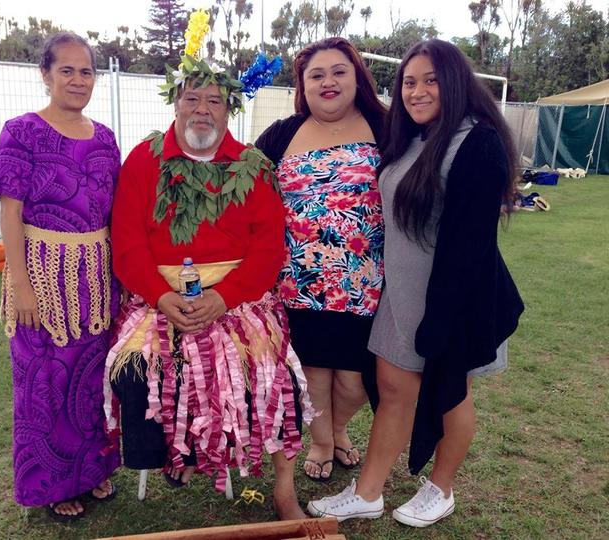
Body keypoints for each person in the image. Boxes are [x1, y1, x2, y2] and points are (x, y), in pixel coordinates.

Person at [307, 39, 524, 527]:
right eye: (408, 82)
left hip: (456, 299)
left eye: (430, 81)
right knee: (393, 388)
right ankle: (367, 492)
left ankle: (441, 488)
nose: (417, 91)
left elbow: (468, 247)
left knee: (451, 392)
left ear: (453, 84)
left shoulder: (478, 141)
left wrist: (440, 322)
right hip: (401, 294)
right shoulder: (412, 138)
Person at [103, 45, 314, 519]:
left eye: (214, 100)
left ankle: (283, 489)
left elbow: (268, 249)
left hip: (239, 303)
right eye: (192, 98)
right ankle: (177, 455)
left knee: (269, 372)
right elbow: (128, 242)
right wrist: (160, 297)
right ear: (175, 102)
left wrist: (224, 297)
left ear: (229, 108)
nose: (202, 109)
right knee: (137, 371)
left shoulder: (253, 166)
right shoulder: (142, 160)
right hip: (157, 301)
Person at [0, 32, 120, 522]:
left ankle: (94, 468)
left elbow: (115, 212)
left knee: (91, 378)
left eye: (86, 71)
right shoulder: (21, 132)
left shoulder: (105, 138)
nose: (77, 80)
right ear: (46, 75)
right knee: (44, 382)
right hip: (43, 278)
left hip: (97, 280)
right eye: (66, 70)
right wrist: (21, 282)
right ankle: (52, 483)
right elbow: (10, 213)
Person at [255, 37, 385, 482]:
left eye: (338, 72)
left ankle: (341, 426)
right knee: (312, 374)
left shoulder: (387, 128)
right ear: (303, 85)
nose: (328, 82)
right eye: (317, 75)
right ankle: (324, 441)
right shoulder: (281, 134)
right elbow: (242, 190)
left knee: (353, 381)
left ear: (357, 78)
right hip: (297, 284)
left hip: (365, 284)